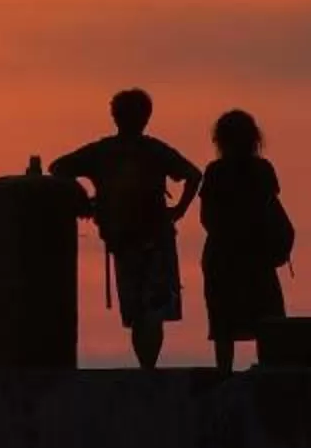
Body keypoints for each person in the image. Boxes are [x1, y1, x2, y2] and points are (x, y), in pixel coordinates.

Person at [52, 89, 202, 369]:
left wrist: (86, 203)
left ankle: (146, 368)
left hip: (125, 240)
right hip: (155, 238)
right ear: (146, 117)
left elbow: (58, 168)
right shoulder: (155, 150)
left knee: (137, 313)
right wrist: (178, 211)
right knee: (152, 313)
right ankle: (149, 368)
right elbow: (194, 175)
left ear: (115, 116)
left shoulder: (102, 151)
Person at [199, 108, 294, 369]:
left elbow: (207, 219)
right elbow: (270, 207)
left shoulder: (216, 172)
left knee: (224, 322)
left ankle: (224, 372)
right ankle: (273, 370)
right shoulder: (262, 170)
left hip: (224, 256)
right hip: (255, 255)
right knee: (267, 317)